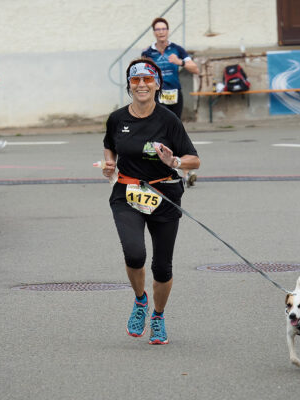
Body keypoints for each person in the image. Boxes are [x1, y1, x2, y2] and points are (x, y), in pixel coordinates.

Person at [102, 58, 200, 345]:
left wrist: (175, 160)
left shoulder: (169, 120)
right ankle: (140, 301)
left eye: (147, 79)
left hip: (164, 195)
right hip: (127, 194)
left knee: (162, 267)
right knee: (134, 254)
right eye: (136, 80)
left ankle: (157, 316)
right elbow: (110, 144)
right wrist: (110, 164)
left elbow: (195, 160)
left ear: (157, 84)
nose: (142, 84)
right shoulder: (117, 118)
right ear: (129, 85)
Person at [141, 17, 199, 187]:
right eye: (157, 29)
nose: (161, 32)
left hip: (174, 95)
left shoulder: (177, 49)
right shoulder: (148, 53)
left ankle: (186, 173)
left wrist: (179, 62)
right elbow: (140, 75)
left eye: (163, 29)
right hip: (157, 96)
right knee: (157, 131)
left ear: (168, 31)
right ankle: (154, 172)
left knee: (176, 131)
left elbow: (195, 69)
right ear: (154, 32)